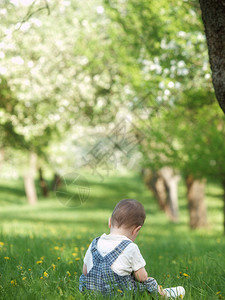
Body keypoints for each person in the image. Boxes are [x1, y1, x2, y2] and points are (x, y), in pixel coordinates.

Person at [79, 199, 185, 298]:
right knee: (148, 282)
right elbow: (142, 277)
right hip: (121, 294)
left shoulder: (95, 243)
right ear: (136, 230)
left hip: (93, 293)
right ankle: (164, 295)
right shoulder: (130, 247)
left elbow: (85, 271)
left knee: (84, 279)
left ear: (110, 222)